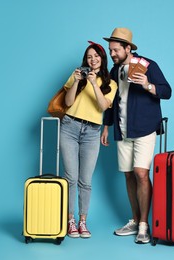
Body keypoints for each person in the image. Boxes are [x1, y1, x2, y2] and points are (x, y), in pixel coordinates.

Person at [101, 28, 172, 244]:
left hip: (144, 128)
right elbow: (110, 101)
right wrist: (106, 126)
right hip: (122, 130)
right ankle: (134, 220)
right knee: (128, 174)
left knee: (142, 173)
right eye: (110, 50)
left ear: (128, 48)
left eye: (115, 50)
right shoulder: (114, 71)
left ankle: (144, 224)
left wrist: (147, 85)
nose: (112, 54)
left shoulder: (148, 65)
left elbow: (167, 91)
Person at [60, 41, 117, 238]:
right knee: (71, 178)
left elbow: (102, 107)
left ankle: (83, 222)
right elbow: (67, 103)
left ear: (102, 58)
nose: (92, 60)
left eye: (96, 56)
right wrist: (77, 81)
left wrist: (94, 83)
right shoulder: (78, 75)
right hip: (69, 127)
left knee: (85, 181)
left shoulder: (111, 84)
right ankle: (70, 221)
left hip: (92, 132)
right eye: (89, 57)